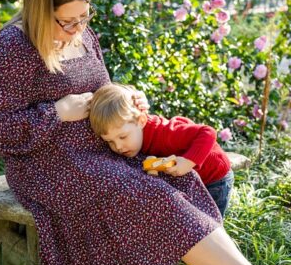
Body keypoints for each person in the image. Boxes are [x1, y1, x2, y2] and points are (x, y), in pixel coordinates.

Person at [0, 0, 291, 265]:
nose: (76, 30)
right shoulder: (13, 48)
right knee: (150, 195)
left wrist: (126, 97)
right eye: (65, 22)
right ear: (40, 11)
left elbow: (104, 91)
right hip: (49, 165)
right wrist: (55, 112)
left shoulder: (85, 38)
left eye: (83, 19)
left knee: (176, 180)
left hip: (105, 148)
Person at [88, 83, 234, 216]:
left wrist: (188, 161)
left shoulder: (166, 134)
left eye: (123, 137)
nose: (118, 147)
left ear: (141, 121)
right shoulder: (134, 137)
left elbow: (207, 132)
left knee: (211, 222)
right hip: (194, 180)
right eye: (110, 142)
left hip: (214, 177)